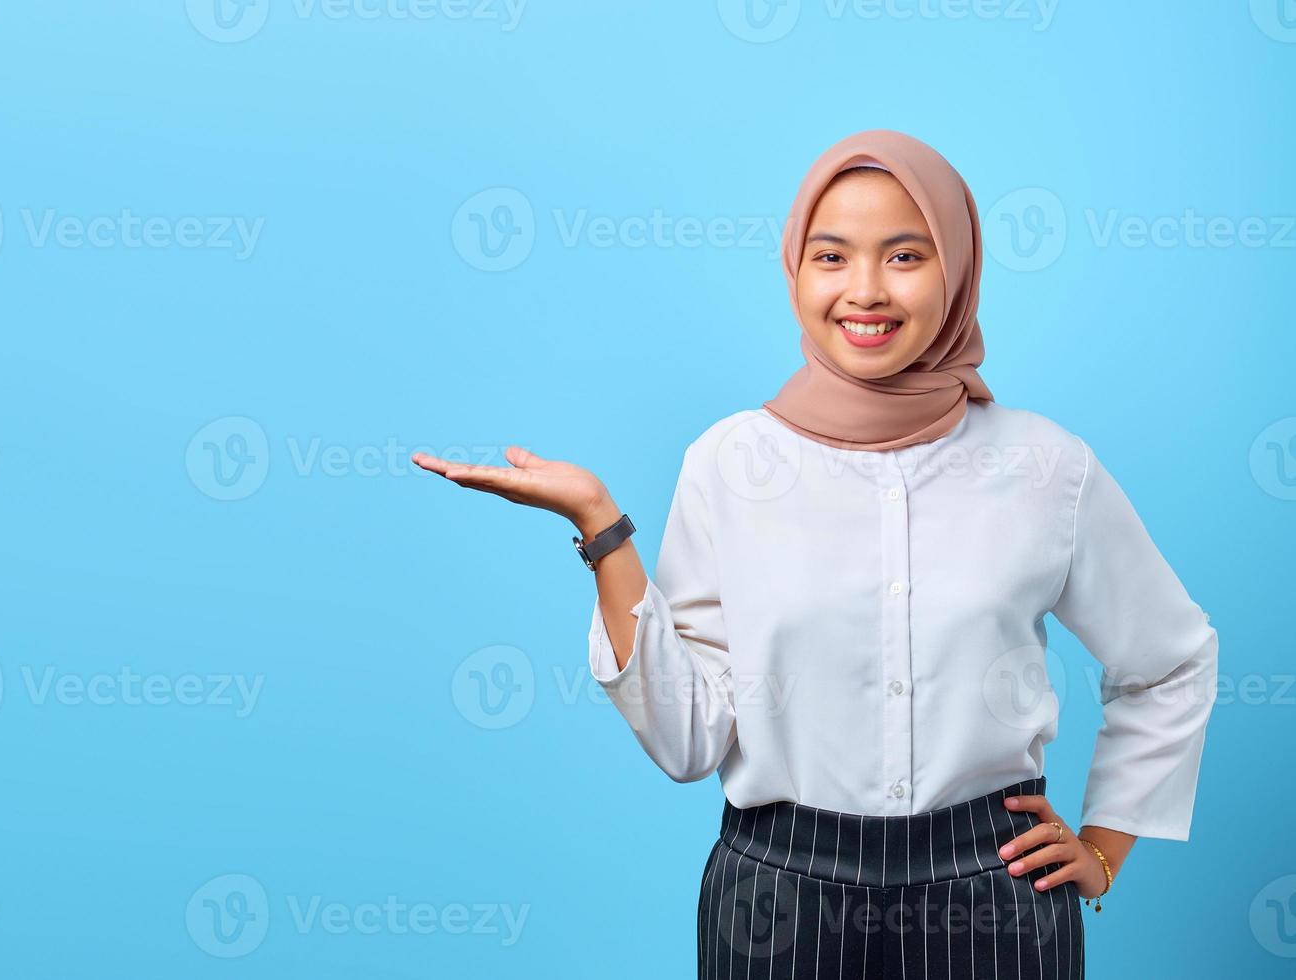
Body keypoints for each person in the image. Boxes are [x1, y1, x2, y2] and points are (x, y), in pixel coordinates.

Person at [412, 129, 1218, 980]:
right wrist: (602, 528)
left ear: (959, 270)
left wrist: (1103, 843)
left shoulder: (1044, 465)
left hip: (993, 891)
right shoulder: (728, 462)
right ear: (794, 269)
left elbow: (1169, 659)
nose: (864, 291)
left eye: (905, 255)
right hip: (777, 897)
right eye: (830, 256)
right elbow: (689, 741)